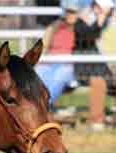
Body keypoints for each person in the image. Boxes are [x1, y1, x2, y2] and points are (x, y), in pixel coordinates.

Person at [36, 0, 115, 131]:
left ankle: (43, 108)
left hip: (69, 64)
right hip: (51, 61)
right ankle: (35, 108)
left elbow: (90, 35)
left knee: (62, 75)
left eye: (73, 12)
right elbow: (45, 43)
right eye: (68, 11)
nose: (69, 15)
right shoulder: (56, 26)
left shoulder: (82, 25)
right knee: (40, 73)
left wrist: (100, 18)